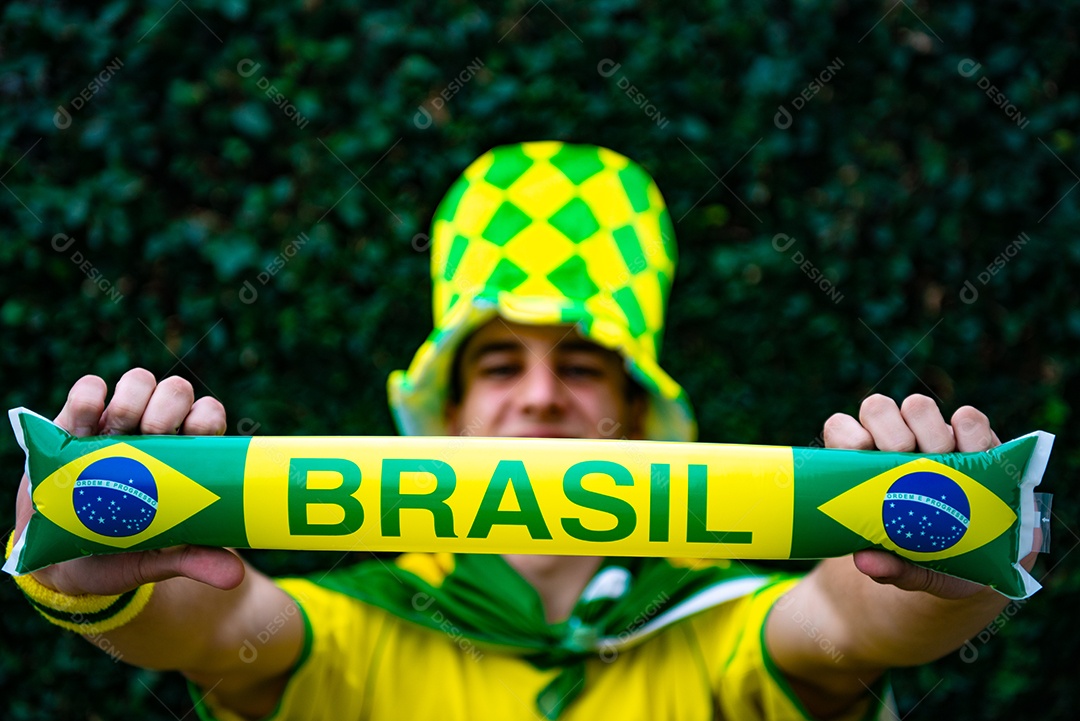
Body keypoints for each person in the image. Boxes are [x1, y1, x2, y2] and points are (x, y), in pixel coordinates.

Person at [9, 141, 1036, 721]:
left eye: (583, 366)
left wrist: (943, 554)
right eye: (499, 364)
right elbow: (216, 633)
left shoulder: (722, 625)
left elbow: (846, 626)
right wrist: (97, 575)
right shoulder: (352, 631)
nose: (540, 398)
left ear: (634, 419)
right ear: (448, 413)